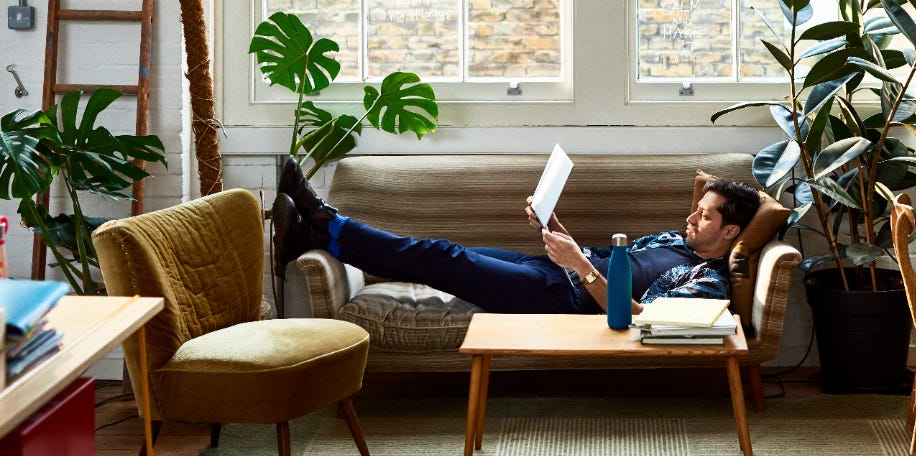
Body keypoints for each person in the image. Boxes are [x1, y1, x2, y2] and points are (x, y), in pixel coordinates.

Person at [271, 158, 761, 315]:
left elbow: (641, 318)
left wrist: (578, 267)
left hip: (558, 296)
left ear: (732, 231)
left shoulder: (707, 281)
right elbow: (601, 259)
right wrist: (553, 227)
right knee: (443, 254)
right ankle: (315, 238)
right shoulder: (671, 242)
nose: (692, 219)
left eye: (705, 216)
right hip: (554, 269)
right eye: (696, 210)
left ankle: (327, 222)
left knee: (444, 258)